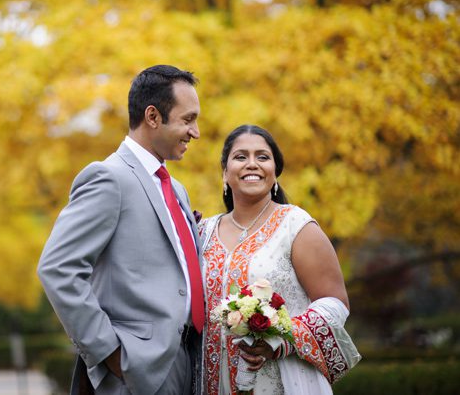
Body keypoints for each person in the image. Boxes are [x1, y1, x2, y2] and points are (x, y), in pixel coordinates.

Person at [38, 65, 205, 395]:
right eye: (188, 120)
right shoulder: (107, 178)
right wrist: (110, 353)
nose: (195, 132)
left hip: (189, 362)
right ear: (153, 116)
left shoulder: (178, 190)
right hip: (136, 367)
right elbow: (57, 268)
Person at [198, 124, 361, 395]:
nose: (252, 164)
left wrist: (280, 339)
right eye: (240, 157)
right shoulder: (202, 232)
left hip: (283, 380)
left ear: (275, 173)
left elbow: (335, 303)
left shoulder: (295, 226)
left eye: (262, 157)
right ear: (225, 173)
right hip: (209, 381)